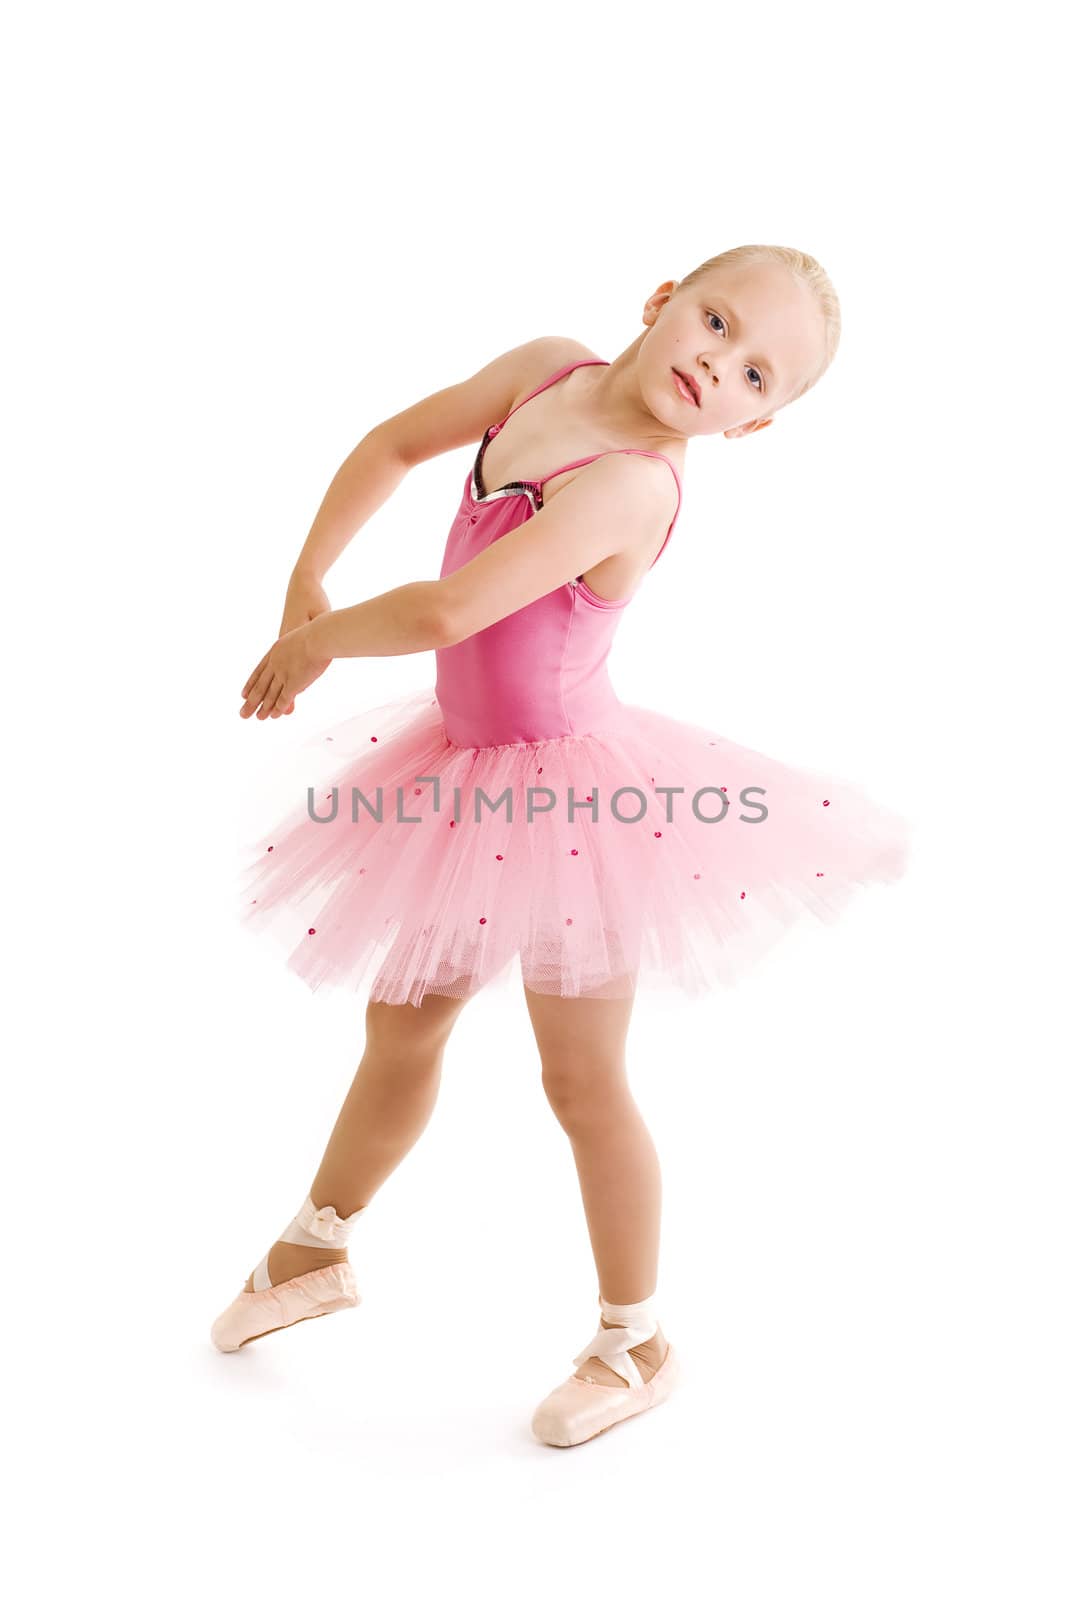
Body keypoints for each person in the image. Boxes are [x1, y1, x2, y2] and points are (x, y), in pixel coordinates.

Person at [211, 245, 910, 1448]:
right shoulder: (544, 372)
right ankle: (313, 1245)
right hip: (461, 778)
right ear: (657, 301)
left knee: (579, 1079)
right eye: (713, 319)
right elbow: (389, 444)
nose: (714, 363)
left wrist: (319, 646)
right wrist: (305, 577)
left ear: (755, 425)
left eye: (755, 374)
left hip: (579, 809)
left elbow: (450, 608)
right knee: (405, 1023)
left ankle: (632, 1337)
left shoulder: (636, 485)